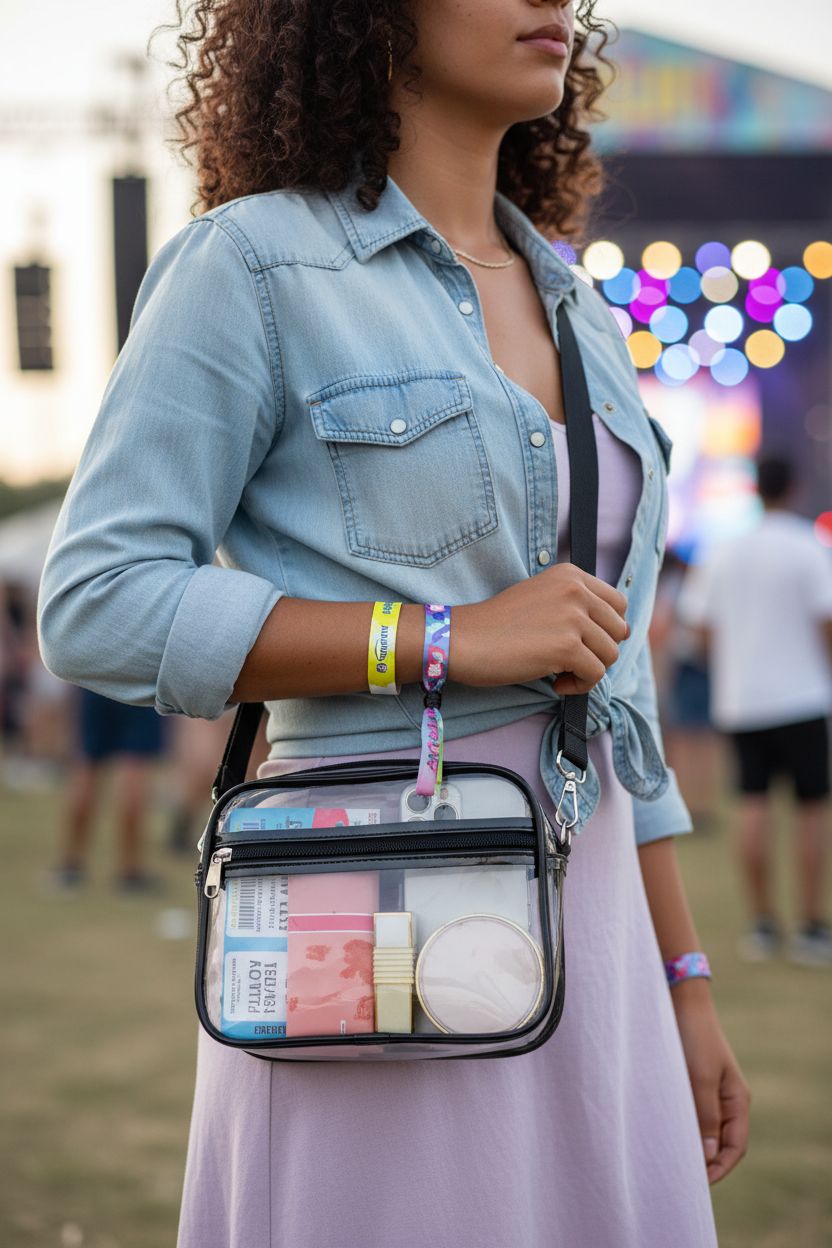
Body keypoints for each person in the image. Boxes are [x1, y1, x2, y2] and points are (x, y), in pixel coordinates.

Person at [37, 1, 749, 1243]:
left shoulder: (580, 304)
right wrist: (433, 639)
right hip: (367, 886)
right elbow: (99, 600)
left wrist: (683, 982)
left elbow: (616, 683)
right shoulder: (249, 264)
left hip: (594, 918)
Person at [681, 455, 832, 968]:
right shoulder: (810, 545)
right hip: (804, 696)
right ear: (794, 485)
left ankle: (763, 924)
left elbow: (699, 631)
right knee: (812, 808)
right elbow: (827, 622)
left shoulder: (723, 550)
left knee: (751, 803)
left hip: (742, 701)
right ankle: (812, 925)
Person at [51, 687, 168, 891]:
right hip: (140, 682)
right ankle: (130, 869)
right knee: (135, 766)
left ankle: (70, 864)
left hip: (95, 680)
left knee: (87, 764)